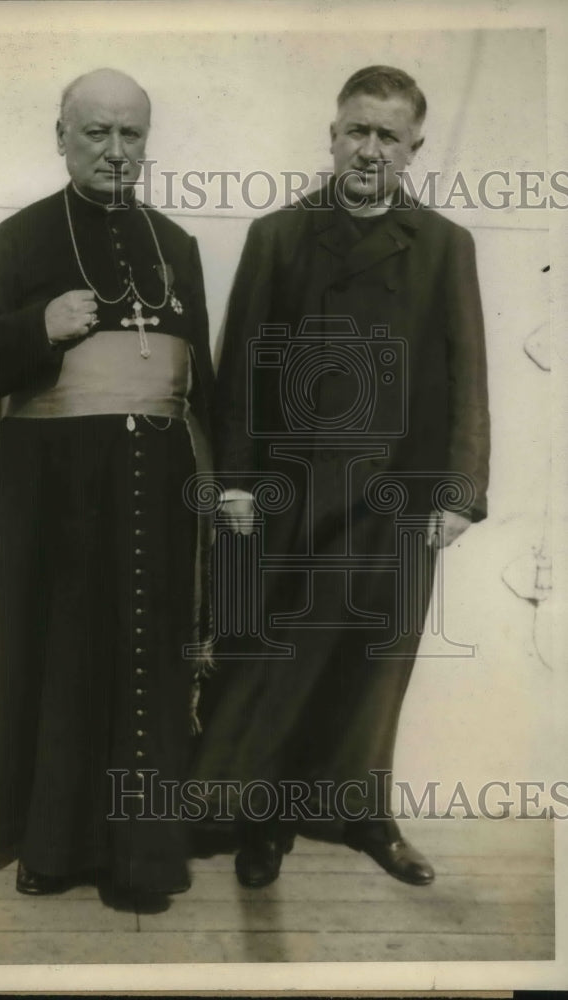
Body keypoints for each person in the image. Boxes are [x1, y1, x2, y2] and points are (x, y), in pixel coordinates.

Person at [193, 66, 489, 888]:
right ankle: (265, 824)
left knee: (375, 663)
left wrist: (461, 495)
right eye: (355, 130)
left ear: (412, 150)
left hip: (399, 500)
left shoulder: (443, 246)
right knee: (281, 658)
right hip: (294, 496)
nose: (368, 149)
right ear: (331, 135)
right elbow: (243, 368)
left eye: (386, 136)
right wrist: (238, 483)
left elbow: (467, 373)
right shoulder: (279, 236)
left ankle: (366, 817)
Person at [0, 68, 213, 903]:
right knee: (58, 660)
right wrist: (36, 328)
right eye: (96, 131)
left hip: (155, 483)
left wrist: (227, 482)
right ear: (60, 136)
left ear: (147, 142)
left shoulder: (179, 246)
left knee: (145, 664)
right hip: (49, 491)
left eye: (130, 133)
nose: (114, 150)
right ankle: (50, 852)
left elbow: (208, 381)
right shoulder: (17, 239)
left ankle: (139, 863)